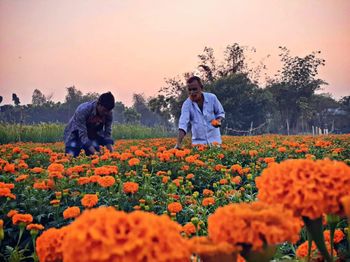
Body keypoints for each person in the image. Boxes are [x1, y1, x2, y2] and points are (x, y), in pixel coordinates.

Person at [175, 76, 225, 149]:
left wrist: (218, 121)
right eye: (190, 90)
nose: (192, 92)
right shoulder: (187, 105)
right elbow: (183, 124)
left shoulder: (212, 98)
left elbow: (220, 113)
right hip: (198, 145)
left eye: (195, 89)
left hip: (215, 142)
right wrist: (178, 143)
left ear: (201, 88)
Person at [64, 92, 115, 157]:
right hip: (76, 134)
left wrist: (112, 154)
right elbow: (83, 136)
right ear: (98, 104)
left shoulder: (108, 113)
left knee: (96, 153)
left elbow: (107, 134)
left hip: (92, 134)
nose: (106, 113)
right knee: (71, 155)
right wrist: (95, 154)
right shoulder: (83, 110)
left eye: (108, 111)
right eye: (104, 110)